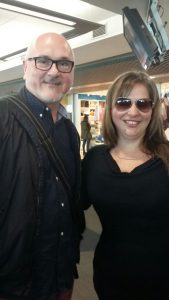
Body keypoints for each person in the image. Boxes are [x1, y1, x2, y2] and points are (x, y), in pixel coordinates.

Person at [0, 32, 85, 300]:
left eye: (63, 63)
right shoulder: (3, 118)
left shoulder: (69, 131)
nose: (54, 71)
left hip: (60, 275)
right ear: (25, 66)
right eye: (43, 61)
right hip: (14, 283)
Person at [81, 70, 169, 300]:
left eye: (142, 104)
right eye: (123, 103)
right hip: (110, 277)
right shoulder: (95, 160)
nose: (133, 111)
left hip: (162, 281)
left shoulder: (167, 160)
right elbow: (68, 207)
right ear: (111, 108)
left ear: (153, 110)